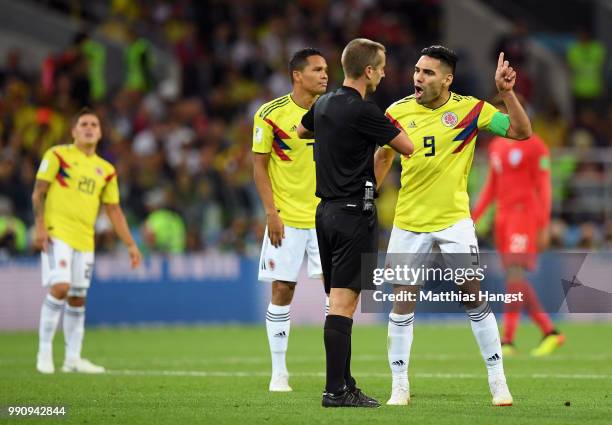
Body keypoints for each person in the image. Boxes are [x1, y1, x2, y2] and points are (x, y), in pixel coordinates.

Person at [375, 46, 532, 406]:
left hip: (454, 223)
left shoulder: (471, 110)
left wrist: (507, 95)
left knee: (473, 297)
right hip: (409, 224)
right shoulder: (396, 112)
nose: (418, 77)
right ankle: (399, 385)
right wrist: (368, 196)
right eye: (417, 70)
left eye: (428, 72)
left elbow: (522, 132)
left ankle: (498, 381)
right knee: (402, 303)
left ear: (447, 79)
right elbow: (383, 157)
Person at [297, 38, 413, 408]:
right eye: (380, 66)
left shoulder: (325, 103)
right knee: (343, 307)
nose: (383, 72)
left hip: (326, 212)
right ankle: (334, 391)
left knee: (338, 302)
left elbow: (302, 132)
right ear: (367, 70)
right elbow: (406, 147)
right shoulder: (365, 111)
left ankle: (345, 383)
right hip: (353, 214)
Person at [33, 108, 142, 374]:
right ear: (74, 130)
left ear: (100, 132)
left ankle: (73, 359)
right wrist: (39, 226)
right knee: (60, 287)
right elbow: (39, 193)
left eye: (94, 124)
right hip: (57, 232)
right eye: (83, 124)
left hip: (85, 239)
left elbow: (114, 210)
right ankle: (44, 353)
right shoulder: (57, 155)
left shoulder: (105, 170)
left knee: (78, 297)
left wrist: (130, 244)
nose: (89, 128)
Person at [252, 48, 328, 392]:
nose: (325, 75)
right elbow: (259, 166)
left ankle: (337, 372)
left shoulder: (334, 109)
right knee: (283, 288)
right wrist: (271, 213)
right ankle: (279, 372)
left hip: (327, 216)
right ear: (297, 75)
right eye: (317, 69)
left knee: (338, 293)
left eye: (326, 69)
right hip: (287, 218)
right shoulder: (270, 115)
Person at [472, 101, 564, 357]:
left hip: (524, 216)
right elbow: (491, 186)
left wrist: (543, 225)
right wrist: (474, 217)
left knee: (514, 275)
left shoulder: (535, 145)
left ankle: (508, 339)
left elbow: (544, 188)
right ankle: (550, 332)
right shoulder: (496, 146)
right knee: (517, 279)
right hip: (503, 219)